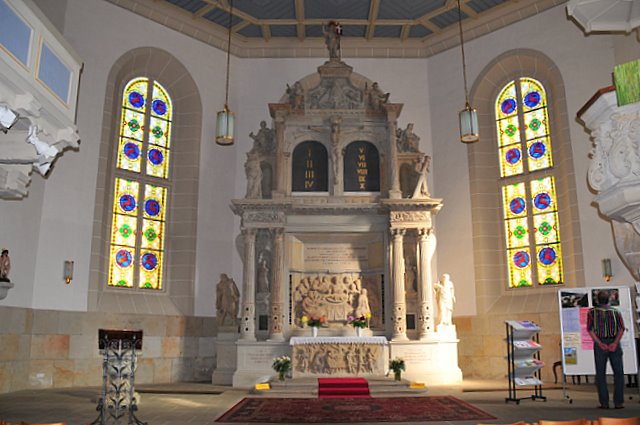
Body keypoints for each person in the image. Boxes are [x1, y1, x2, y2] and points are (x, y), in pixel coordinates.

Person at [587, 290, 626, 409]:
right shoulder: (616, 312)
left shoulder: (592, 312)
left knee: (600, 374)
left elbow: (590, 329)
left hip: (600, 343)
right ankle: (618, 402)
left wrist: (599, 343)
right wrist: (614, 343)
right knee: (619, 373)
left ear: (597, 300)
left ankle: (604, 402)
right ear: (609, 299)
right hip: (614, 341)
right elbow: (622, 329)